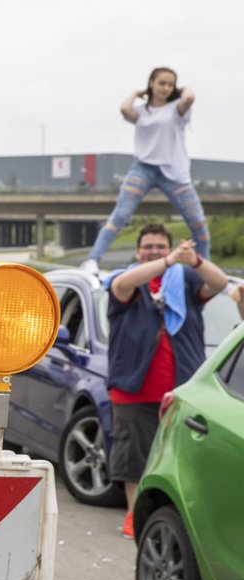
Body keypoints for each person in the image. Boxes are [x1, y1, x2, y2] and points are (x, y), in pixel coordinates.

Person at [104, 223, 228, 537]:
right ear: (138, 251)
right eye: (149, 247)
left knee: (183, 462)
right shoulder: (127, 282)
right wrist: (169, 260)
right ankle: (134, 515)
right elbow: (122, 284)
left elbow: (220, 282)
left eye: (161, 246)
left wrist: (194, 261)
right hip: (134, 390)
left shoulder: (185, 280)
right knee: (134, 460)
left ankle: (176, 522)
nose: (155, 251)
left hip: (181, 392)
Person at [82, 68, 208, 274]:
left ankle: (205, 267)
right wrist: (135, 93)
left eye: (170, 84)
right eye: (161, 83)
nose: (166, 88)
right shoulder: (141, 112)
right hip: (144, 168)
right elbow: (124, 109)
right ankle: (92, 261)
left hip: (174, 172)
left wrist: (183, 88)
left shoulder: (176, 109)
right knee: (120, 215)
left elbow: (190, 97)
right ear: (151, 83)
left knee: (198, 224)